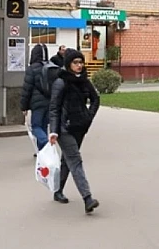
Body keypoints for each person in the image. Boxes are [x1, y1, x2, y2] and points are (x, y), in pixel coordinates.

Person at [48, 49, 101, 214]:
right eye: (75, 63)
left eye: (81, 62)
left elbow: (95, 99)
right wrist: (54, 131)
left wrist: (88, 116)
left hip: (79, 127)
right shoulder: (61, 82)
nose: (79, 65)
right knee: (75, 160)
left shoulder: (84, 81)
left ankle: (57, 190)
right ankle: (87, 198)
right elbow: (54, 108)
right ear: (68, 64)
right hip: (64, 129)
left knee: (67, 160)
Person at [20, 44, 51, 151]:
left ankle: (45, 143)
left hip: (36, 103)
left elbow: (27, 89)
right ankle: (43, 151)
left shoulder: (32, 69)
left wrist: (24, 106)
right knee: (44, 126)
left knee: (36, 127)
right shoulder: (51, 67)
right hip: (49, 101)